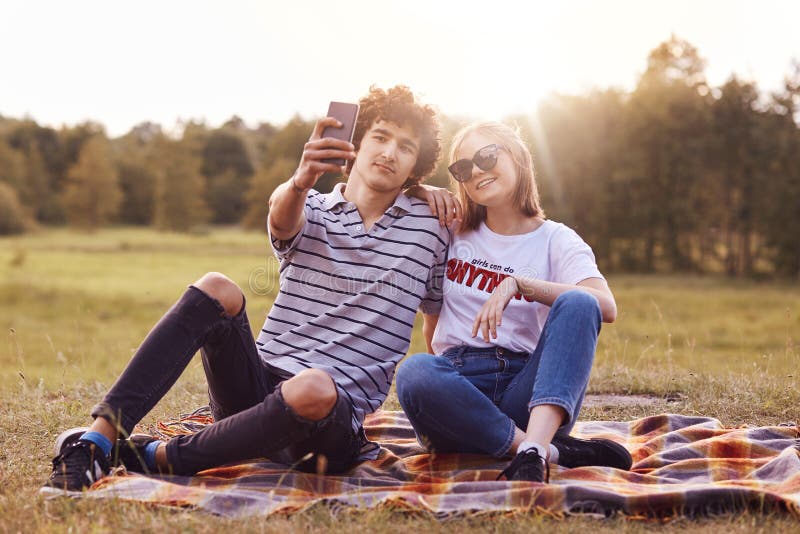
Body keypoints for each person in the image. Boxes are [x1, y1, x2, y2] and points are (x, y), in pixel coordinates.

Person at [41, 85, 449, 494]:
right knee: (217, 286)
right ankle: (96, 442)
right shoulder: (309, 205)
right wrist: (302, 178)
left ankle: (156, 457)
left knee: (314, 385)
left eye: (406, 147)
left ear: (417, 165)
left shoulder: (433, 225)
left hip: (329, 420)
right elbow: (282, 214)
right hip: (253, 391)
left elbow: (437, 323)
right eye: (380, 137)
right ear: (355, 145)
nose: (390, 153)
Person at [396, 121, 632, 483]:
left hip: (527, 392)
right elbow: (381, 198)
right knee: (416, 371)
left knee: (580, 302)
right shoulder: (450, 229)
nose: (475, 170)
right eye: (462, 168)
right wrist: (420, 190)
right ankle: (543, 451)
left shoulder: (557, 239)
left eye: (487, 156)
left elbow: (605, 306)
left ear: (518, 158)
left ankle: (531, 447)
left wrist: (521, 284)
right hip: (457, 393)